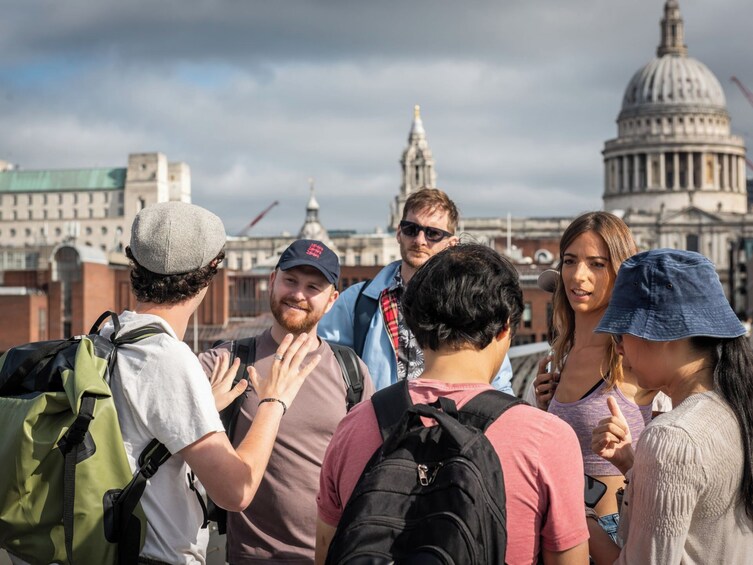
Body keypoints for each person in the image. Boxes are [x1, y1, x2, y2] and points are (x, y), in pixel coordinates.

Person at [316, 244, 589, 565]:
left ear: (415, 324)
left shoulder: (355, 425)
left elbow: (326, 552)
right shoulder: (547, 438)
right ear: (505, 327)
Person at [101, 202, 319, 565]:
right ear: (209, 273)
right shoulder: (168, 359)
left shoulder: (108, 336)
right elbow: (236, 491)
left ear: (134, 267)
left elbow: (129, 438)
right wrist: (273, 401)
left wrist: (201, 408)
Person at [199, 239, 374, 564]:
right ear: (272, 280)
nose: (298, 294)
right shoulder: (225, 362)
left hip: (333, 555)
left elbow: (369, 471)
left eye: (313, 287)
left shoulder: (352, 371)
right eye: (290, 281)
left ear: (332, 299)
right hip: (250, 557)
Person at [588, 249, 753, 563]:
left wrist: (581, 521)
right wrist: (633, 465)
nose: (619, 347)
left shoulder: (672, 437)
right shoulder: (736, 403)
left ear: (664, 333)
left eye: (621, 332)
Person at [530, 211, 660, 541]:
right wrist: (545, 412)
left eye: (597, 264)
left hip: (614, 532)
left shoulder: (632, 355)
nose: (578, 276)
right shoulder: (563, 352)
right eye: (570, 261)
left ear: (620, 273)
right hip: (559, 527)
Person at [318, 188, 514, 394]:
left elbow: (498, 382)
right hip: (378, 422)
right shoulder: (358, 301)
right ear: (399, 233)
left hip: (448, 423)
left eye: (433, 233)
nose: (420, 240)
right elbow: (324, 365)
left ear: (452, 244)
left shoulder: (471, 302)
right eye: (411, 229)